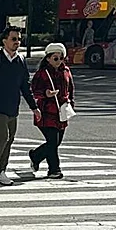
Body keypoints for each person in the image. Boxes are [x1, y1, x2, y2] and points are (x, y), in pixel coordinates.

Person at [0, 26, 40, 186]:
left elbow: (25, 87)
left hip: (13, 108)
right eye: (14, 39)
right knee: (2, 136)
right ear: (4, 41)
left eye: (19, 39)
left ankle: (1, 170)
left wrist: (34, 107)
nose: (17, 42)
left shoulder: (20, 61)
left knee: (10, 139)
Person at [29, 42, 75, 179]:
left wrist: (71, 103)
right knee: (53, 142)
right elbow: (34, 91)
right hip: (46, 112)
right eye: (56, 58)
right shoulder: (42, 74)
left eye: (61, 58)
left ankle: (36, 155)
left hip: (62, 112)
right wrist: (46, 93)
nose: (59, 61)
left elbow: (70, 89)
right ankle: (54, 169)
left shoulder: (66, 71)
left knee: (56, 142)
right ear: (48, 58)